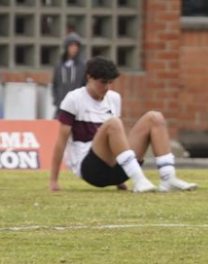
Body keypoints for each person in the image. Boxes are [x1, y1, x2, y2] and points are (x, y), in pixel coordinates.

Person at [48, 57, 197, 193]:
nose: (106, 87)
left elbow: (116, 139)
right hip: (91, 169)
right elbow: (61, 141)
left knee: (155, 117)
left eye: (110, 82)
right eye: (102, 82)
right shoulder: (73, 98)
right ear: (89, 77)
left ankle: (168, 178)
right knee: (113, 123)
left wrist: (119, 182)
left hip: (118, 170)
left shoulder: (114, 98)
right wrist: (53, 180)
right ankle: (139, 180)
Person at [51, 32, 86, 108]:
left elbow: (85, 85)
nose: (74, 48)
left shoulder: (82, 66)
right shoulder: (59, 66)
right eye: (71, 45)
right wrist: (56, 100)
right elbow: (55, 85)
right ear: (66, 47)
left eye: (76, 46)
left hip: (77, 106)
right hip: (61, 105)